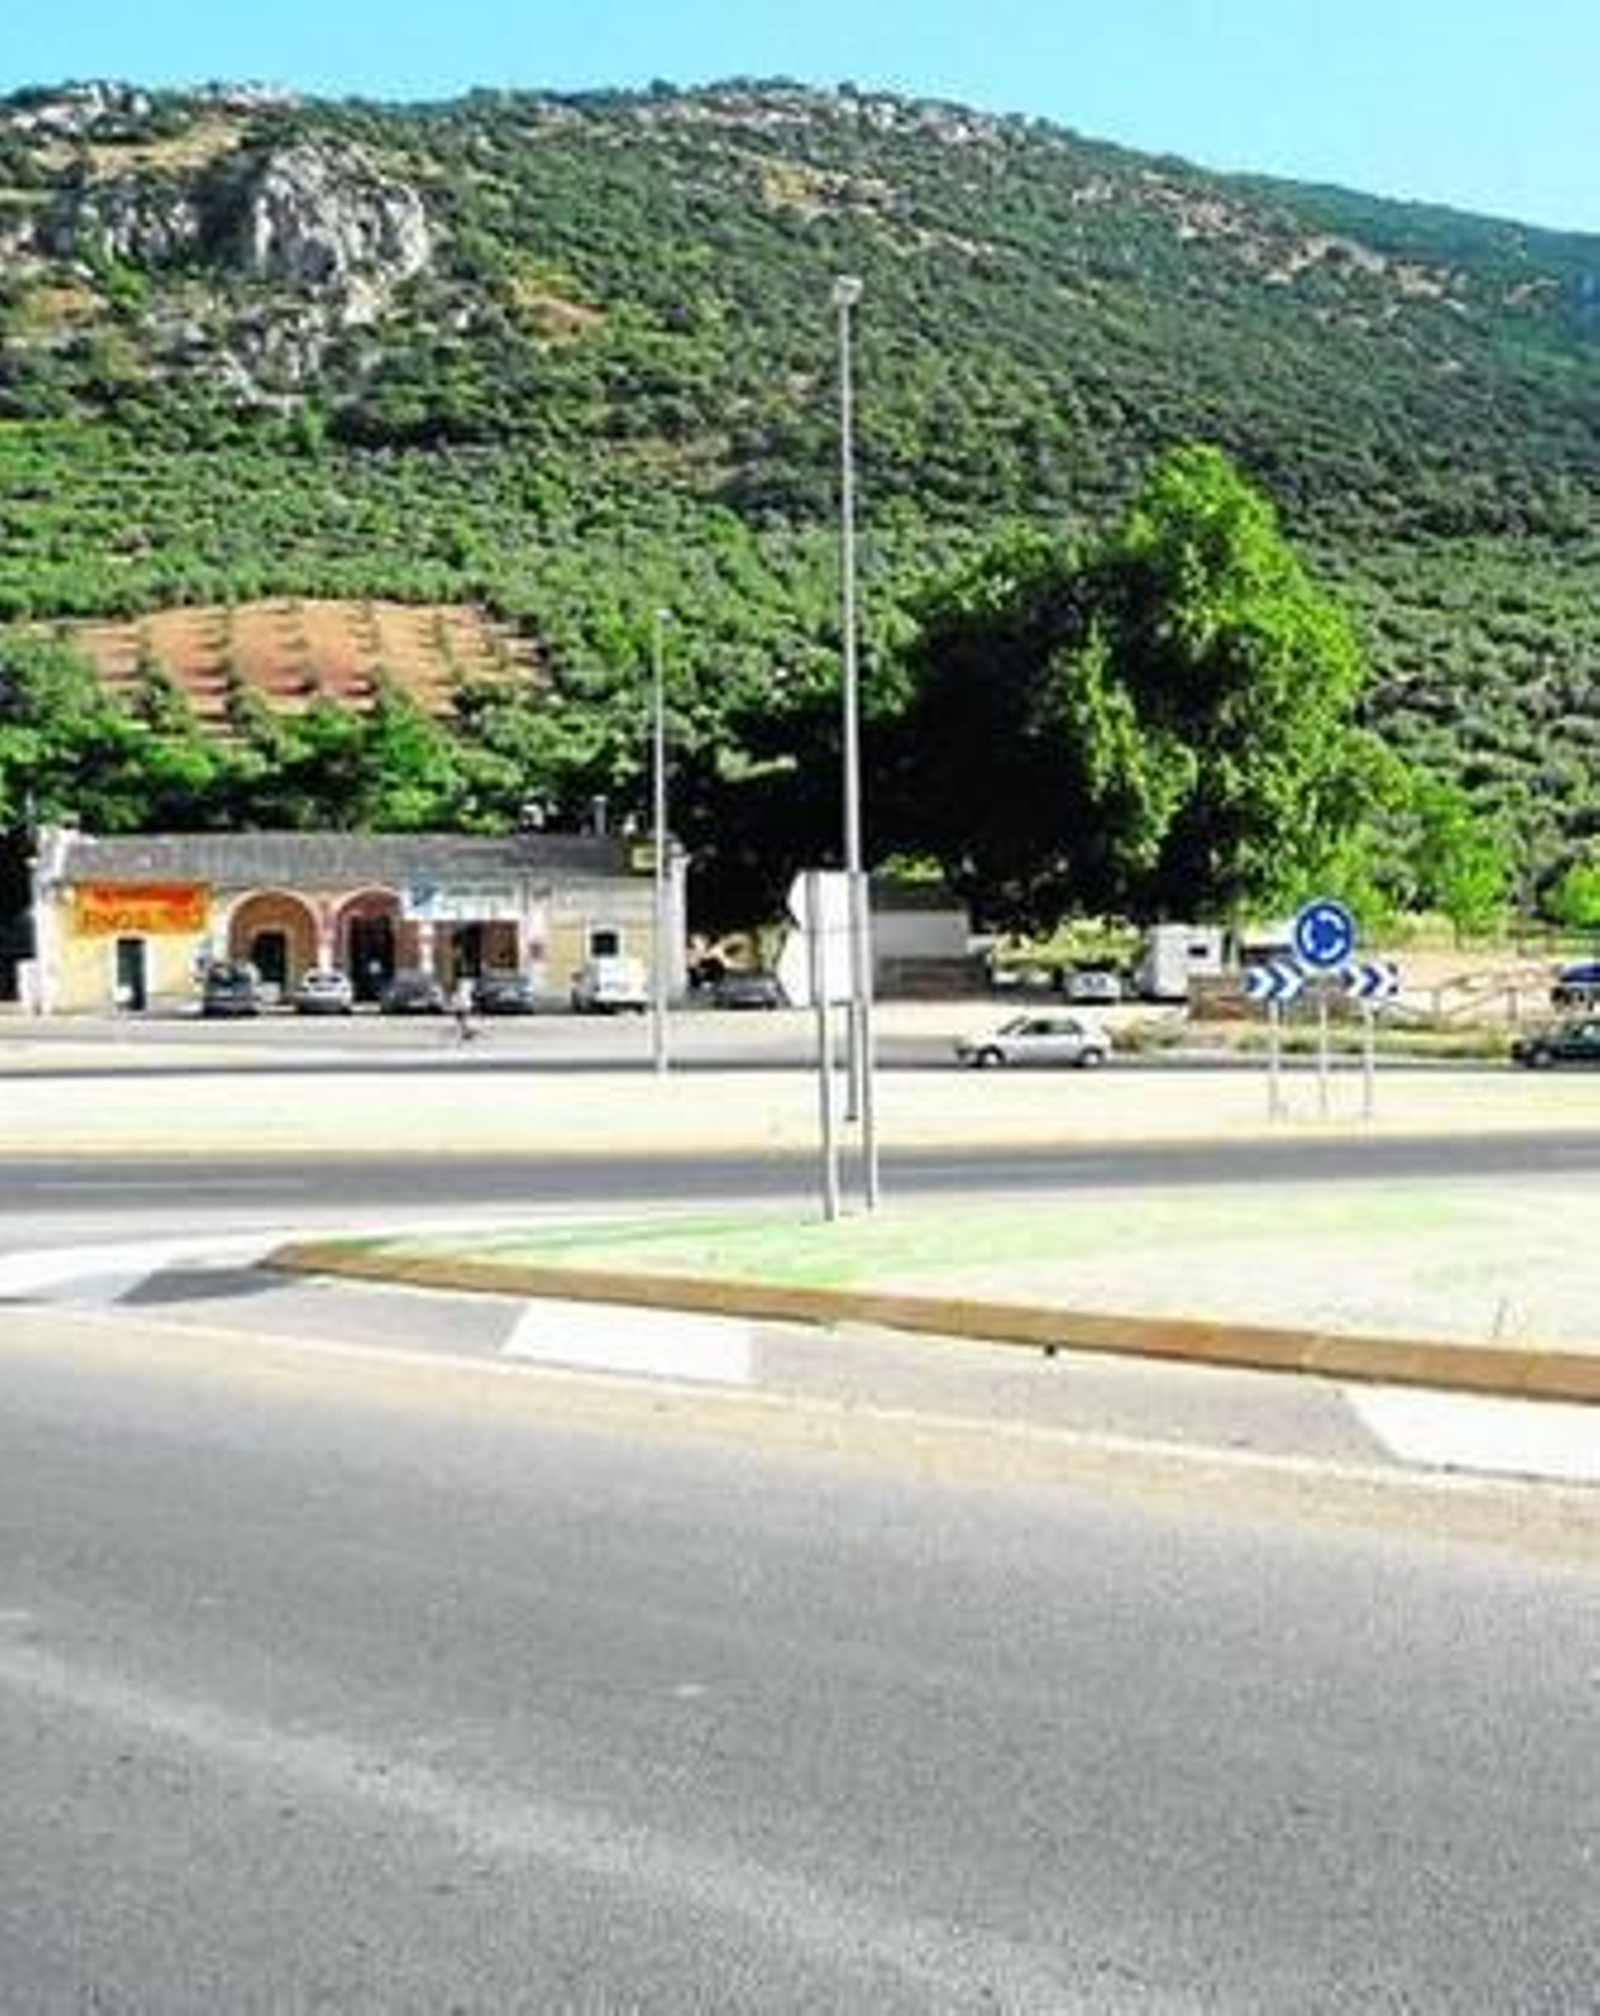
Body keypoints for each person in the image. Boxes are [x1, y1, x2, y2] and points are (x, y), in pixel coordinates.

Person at [450, 973, 478, 1041]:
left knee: (462, 1018)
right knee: (462, 1017)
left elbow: (464, 994)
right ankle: (464, 1032)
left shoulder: (464, 984)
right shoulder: (465, 984)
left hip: (461, 1003)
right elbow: (463, 995)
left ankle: (464, 1031)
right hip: (462, 1003)